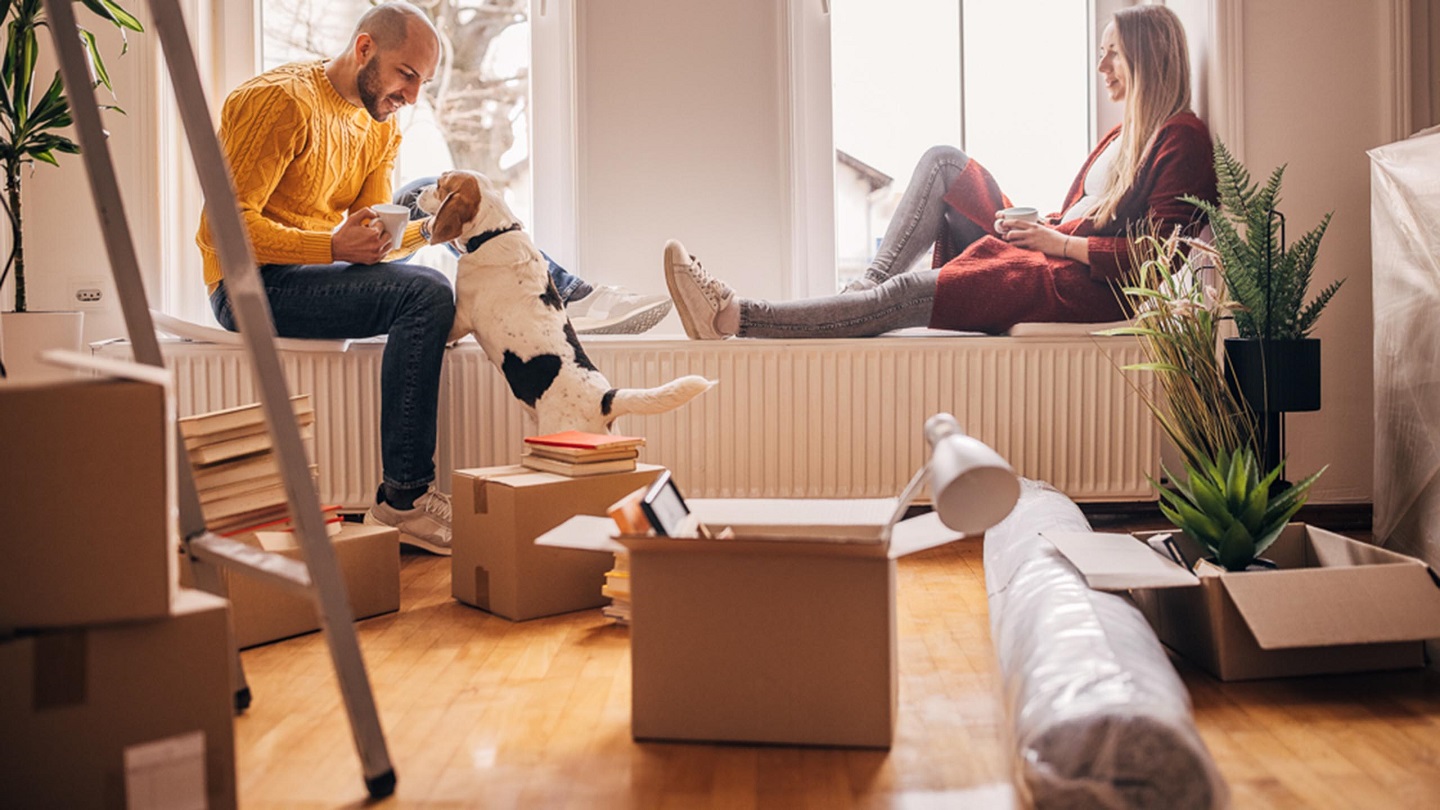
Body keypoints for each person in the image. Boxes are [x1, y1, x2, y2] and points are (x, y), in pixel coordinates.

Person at [196, 2, 666, 555]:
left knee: (438, 186)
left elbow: (374, 229)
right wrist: (330, 244)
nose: (413, 96)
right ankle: (404, 499)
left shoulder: (378, 122)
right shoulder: (278, 102)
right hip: (251, 285)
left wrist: (428, 227)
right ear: (365, 49)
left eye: (424, 82)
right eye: (407, 75)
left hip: (321, 266)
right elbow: (221, 231)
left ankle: (564, 290)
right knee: (427, 292)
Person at [663, 4, 1216, 340]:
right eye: (1101, 53)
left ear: (1149, 58)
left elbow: (1160, 259)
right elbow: (1081, 217)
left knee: (899, 298)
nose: (1101, 68)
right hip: (1044, 249)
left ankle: (733, 315)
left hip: (1069, 282)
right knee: (945, 161)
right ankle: (863, 291)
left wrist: (1055, 243)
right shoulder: (1122, 137)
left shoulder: (1182, 138)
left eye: (1113, 55)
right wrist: (1042, 231)